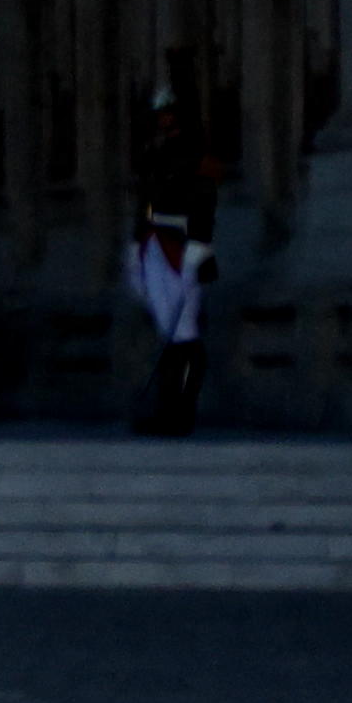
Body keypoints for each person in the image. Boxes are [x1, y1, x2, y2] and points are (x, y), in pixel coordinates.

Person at [124, 78, 218, 439]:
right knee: (170, 334)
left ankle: (180, 413)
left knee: (184, 335)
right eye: (160, 115)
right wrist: (136, 243)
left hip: (182, 246)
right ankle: (168, 410)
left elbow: (204, 200)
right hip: (154, 245)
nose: (165, 121)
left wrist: (200, 246)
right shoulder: (155, 153)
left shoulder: (198, 153)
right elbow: (145, 200)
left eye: (170, 115)